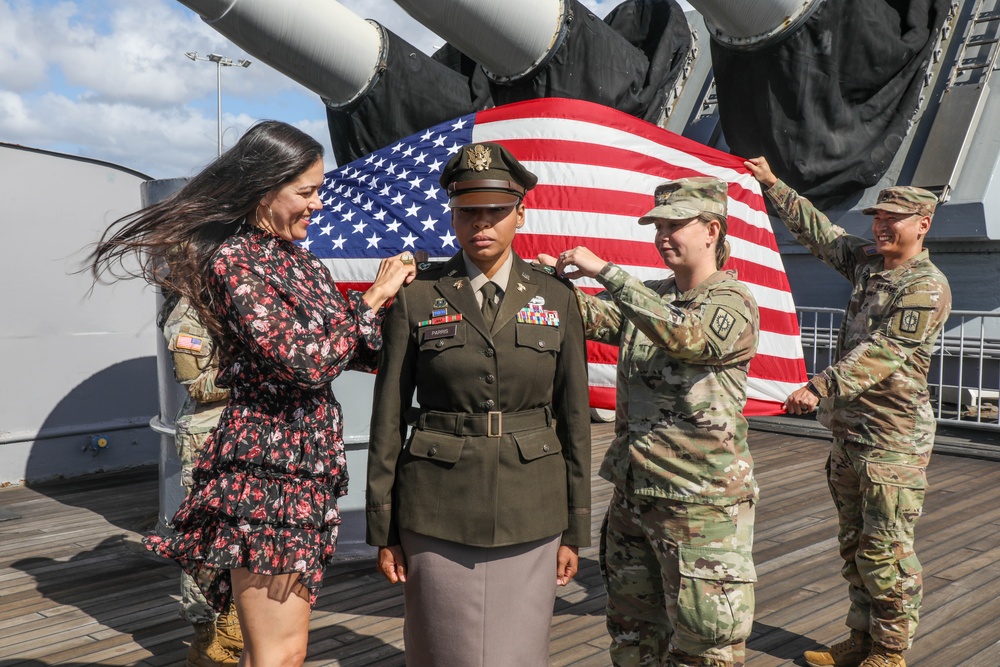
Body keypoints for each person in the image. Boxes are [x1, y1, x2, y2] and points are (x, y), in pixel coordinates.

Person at [89, 120, 416, 667]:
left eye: (319, 191)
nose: (317, 205)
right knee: (276, 652)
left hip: (304, 471)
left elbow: (351, 347)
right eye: (306, 192)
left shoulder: (303, 263)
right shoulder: (236, 261)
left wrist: (426, 322)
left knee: (282, 649)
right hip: (266, 474)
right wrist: (376, 296)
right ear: (265, 190)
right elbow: (306, 363)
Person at [365, 141, 592, 667]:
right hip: (437, 506)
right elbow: (389, 417)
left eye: (495, 211)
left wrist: (575, 528)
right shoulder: (418, 295)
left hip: (531, 507)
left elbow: (574, 418)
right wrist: (385, 526)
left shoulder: (556, 298)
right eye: (468, 212)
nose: (481, 224)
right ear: (452, 213)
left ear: (520, 212)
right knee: (441, 646)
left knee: (519, 650)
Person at [541, 176, 760, 667]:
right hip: (636, 494)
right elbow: (597, 318)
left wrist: (607, 271)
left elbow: (687, 338)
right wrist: (544, 285)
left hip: (698, 506)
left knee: (706, 644)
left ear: (712, 230)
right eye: (658, 225)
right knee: (633, 634)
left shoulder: (732, 301)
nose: (663, 235)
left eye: (675, 224)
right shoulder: (656, 296)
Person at [745, 156, 951, 667]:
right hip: (851, 435)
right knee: (855, 548)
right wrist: (773, 184)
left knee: (887, 552)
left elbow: (885, 352)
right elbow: (823, 235)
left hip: (892, 442)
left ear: (923, 224)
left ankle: (889, 651)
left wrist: (820, 385)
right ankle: (859, 640)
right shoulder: (868, 264)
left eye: (893, 219)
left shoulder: (924, 287)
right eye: (877, 218)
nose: (880, 226)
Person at [159, 294, 240, 667]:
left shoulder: (230, 299)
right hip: (208, 436)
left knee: (241, 533)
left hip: (243, 434)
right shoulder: (188, 314)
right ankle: (206, 635)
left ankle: (232, 621)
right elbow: (198, 386)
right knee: (205, 539)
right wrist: (257, 375)